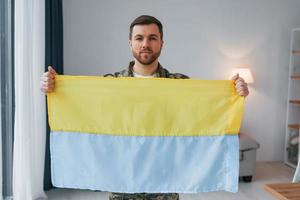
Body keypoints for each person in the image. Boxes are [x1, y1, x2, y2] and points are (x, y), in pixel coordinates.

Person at [40, 15, 249, 200]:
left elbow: (207, 113)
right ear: (130, 43)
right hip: (122, 188)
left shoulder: (180, 85)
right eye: (139, 38)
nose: (145, 44)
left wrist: (233, 93)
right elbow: (81, 106)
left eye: (152, 38)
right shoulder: (110, 85)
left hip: (165, 187)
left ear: (162, 44)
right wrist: (55, 87)